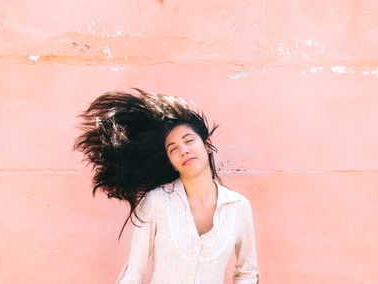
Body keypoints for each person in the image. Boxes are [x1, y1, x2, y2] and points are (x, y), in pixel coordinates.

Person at [74, 89, 259, 283]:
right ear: (170, 161)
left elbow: (247, 272)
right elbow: (134, 271)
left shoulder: (238, 207)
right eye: (173, 149)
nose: (184, 151)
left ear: (207, 144)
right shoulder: (157, 201)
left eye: (189, 141)